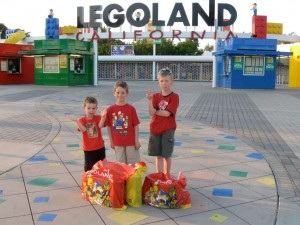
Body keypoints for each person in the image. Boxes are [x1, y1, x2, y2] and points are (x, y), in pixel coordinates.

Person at [146, 67, 179, 174]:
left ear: (172, 82)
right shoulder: (155, 96)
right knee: (158, 156)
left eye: (166, 80)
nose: (164, 83)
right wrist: (150, 101)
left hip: (168, 130)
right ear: (158, 82)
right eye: (161, 81)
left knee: (166, 155)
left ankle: (167, 175)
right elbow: (151, 112)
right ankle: (159, 175)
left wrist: (156, 110)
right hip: (155, 129)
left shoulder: (174, 97)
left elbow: (167, 113)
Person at [104, 80, 141, 164]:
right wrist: (111, 141)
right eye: (118, 92)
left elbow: (136, 126)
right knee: (121, 164)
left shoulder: (131, 109)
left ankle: (133, 178)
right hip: (117, 142)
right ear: (114, 93)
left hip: (131, 142)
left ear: (127, 94)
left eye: (123, 92)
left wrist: (136, 141)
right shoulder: (110, 110)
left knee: (133, 164)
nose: (120, 95)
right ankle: (123, 178)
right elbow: (109, 127)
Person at [68, 96, 106, 172]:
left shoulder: (98, 117)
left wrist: (103, 116)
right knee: (89, 166)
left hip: (100, 147)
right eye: (88, 108)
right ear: (84, 108)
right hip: (89, 149)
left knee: (101, 165)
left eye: (93, 108)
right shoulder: (82, 120)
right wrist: (76, 121)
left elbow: (100, 125)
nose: (91, 110)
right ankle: (88, 180)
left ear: (96, 108)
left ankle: (100, 179)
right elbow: (84, 129)